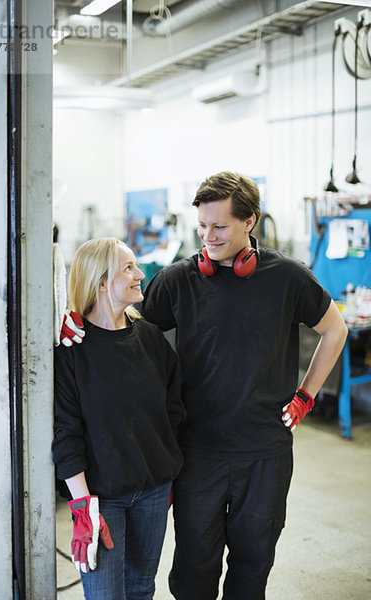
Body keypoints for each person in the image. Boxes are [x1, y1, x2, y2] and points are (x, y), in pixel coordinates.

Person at [61, 172, 348, 600]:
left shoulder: (288, 277)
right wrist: (75, 318)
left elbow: (335, 329)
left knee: (253, 565)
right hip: (197, 454)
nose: (207, 237)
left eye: (219, 227)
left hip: (263, 454)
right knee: (193, 570)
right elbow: (123, 327)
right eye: (201, 227)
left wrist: (306, 396)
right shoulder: (179, 280)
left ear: (250, 221)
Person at [52, 237, 185, 600]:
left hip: (153, 492)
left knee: (142, 588)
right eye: (128, 268)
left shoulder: (152, 339)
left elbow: (173, 412)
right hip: (101, 497)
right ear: (99, 282)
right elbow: (66, 434)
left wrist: (168, 469)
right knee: (106, 595)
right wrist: (81, 507)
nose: (140, 274)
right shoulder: (71, 351)